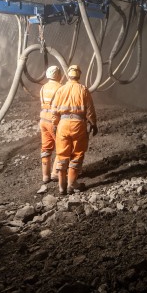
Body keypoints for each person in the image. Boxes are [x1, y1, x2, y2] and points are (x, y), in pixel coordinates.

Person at [51, 64, 97, 195]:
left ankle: (61, 186)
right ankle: (72, 184)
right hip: (78, 125)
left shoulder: (61, 90)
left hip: (63, 124)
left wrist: (55, 124)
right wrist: (94, 124)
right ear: (79, 75)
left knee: (62, 154)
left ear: (68, 75)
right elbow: (90, 109)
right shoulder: (83, 89)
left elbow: (54, 110)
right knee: (77, 154)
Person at [39, 65, 63, 184]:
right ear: (58, 75)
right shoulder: (60, 88)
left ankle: (45, 176)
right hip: (53, 120)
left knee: (46, 148)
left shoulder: (43, 88)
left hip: (43, 118)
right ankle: (55, 173)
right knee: (61, 146)